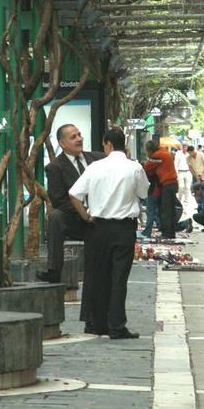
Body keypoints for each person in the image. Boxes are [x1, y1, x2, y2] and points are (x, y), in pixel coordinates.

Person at [69, 127, 149, 339]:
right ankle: (117, 325)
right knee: (119, 278)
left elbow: (74, 194)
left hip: (98, 228)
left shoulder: (95, 167)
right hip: (124, 228)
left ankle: (98, 323)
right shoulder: (134, 168)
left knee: (98, 276)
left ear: (108, 144)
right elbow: (144, 192)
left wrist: (86, 216)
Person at [39, 124, 104, 333]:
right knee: (56, 217)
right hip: (75, 220)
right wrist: (83, 211)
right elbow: (58, 200)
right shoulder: (55, 167)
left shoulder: (97, 159)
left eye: (79, 134)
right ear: (62, 143)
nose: (78, 139)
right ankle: (53, 270)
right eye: (73, 137)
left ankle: (94, 318)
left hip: (100, 218)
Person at [144, 140, 178, 239]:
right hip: (171, 184)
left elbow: (147, 167)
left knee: (166, 210)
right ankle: (170, 232)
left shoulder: (158, 155)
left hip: (168, 184)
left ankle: (168, 233)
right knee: (169, 210)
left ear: (150, 150)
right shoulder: (164, 152)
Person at [174, 143, 193, 220]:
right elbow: (175, 164)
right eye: (184, 146)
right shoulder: (178, 154)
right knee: (180, 187)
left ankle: (186, 201)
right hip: (180, 172)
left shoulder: (189, 154)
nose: (185, 148)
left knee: (187, 188)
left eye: (186, 146)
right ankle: (179, 199)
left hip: (188, 171)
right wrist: (176, 173)